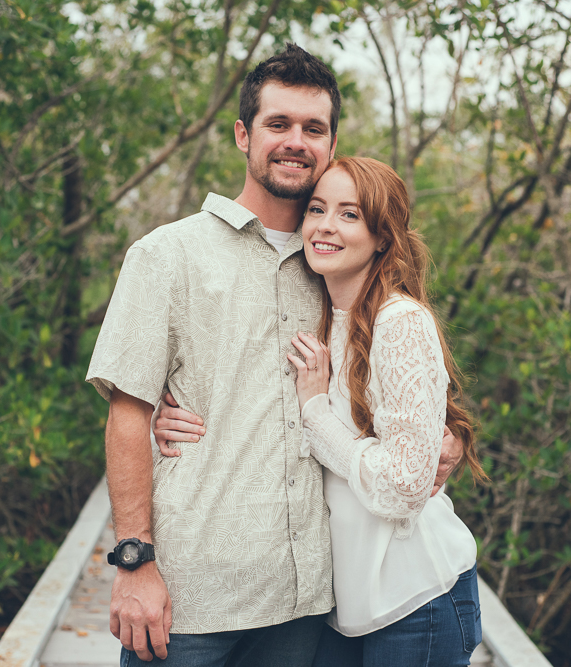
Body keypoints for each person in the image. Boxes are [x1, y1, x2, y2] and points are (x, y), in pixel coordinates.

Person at [86, 44, 461, 667]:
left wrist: (441, 438)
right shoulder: (167, 255)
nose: (296, 141)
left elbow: (402, 369)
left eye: (313, 128)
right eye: (277, 124)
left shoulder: (336, 260)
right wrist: (133, 563)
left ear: (332, 143)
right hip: (193, 598)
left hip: (310, 601)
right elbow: (127, 413)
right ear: (243, 134)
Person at [156, 157, 487, 666]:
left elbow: (402, 487)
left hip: (416, 597)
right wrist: (166, 409)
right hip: (347, 605)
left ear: (382, 237)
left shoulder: (398, 322)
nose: (326, 226)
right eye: (317, 209)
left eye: (350, 214)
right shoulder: (324, 310)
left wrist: (315, 412)